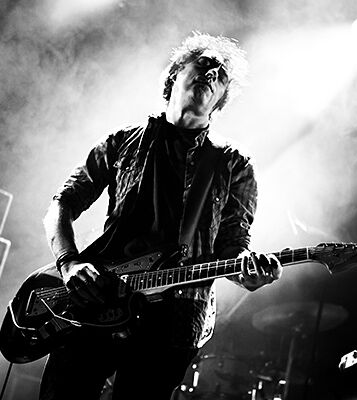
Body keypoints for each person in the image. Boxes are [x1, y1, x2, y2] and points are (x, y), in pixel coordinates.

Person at [40, 32, 283, 400]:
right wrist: (69, 262)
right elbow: (61, 204)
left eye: (220, 76)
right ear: (173, 76)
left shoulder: (233, 164)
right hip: (100, 299)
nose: (211, 73)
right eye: (202, 65)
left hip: (175, 318)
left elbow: (234, 250)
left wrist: (249, 272)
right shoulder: (122, 143)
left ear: (220, 101)